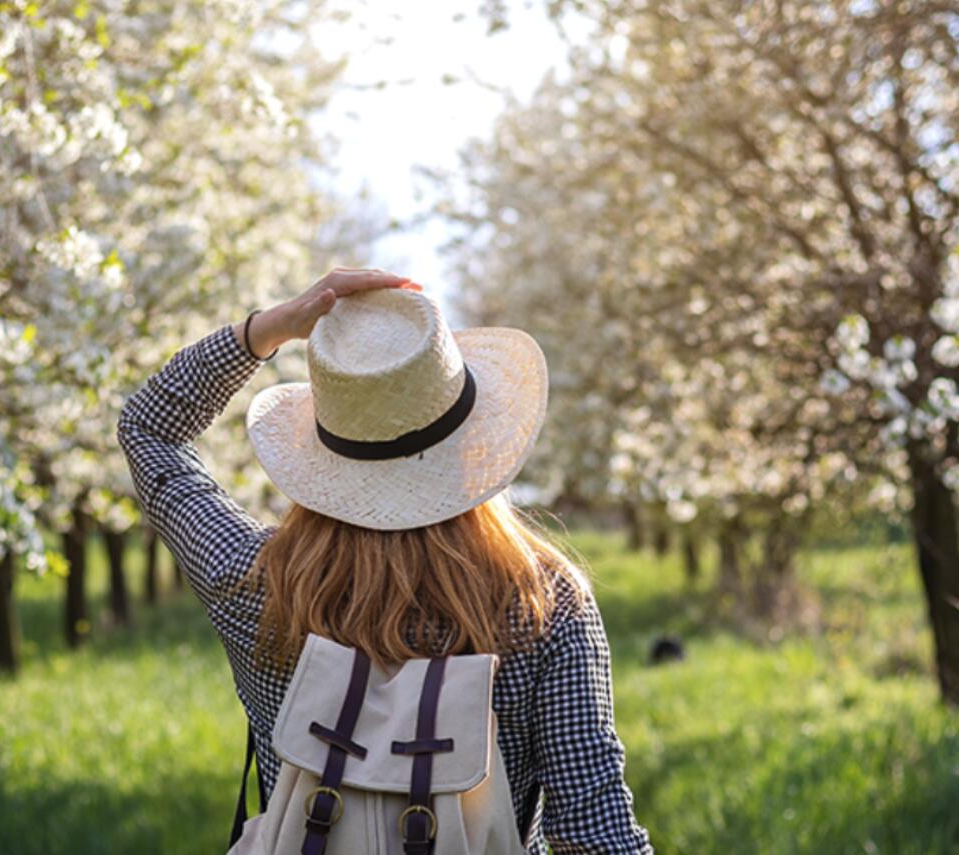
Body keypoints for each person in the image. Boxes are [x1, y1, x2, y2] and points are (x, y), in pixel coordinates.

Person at [116, 267, 652, 853]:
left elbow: (148, 429)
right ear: (475, 443)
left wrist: (268, 330)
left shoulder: (255, 583)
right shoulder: (542, 602)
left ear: (323, 453)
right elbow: (595, 836)